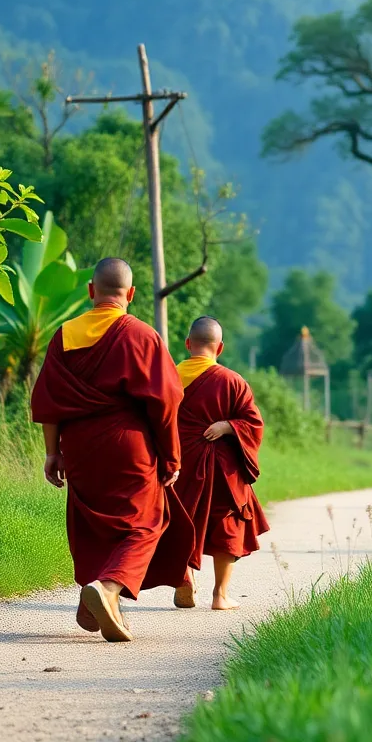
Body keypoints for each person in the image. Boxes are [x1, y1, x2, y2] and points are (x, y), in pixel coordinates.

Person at [30, 258, 193, 642]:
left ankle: (98, 603)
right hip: (128, 444)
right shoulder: (142, 335)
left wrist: (52, 453)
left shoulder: (65, 335)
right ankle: (107, 590)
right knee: (146, 522)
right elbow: (167, 400)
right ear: (131, 294)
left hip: (79, 448)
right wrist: (171, 456)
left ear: (91, 291)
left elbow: (49, 401)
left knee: (95, 520)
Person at [172, 316, 270, 611]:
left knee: (181, 520)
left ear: (188, 344)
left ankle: (184, 577)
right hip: (224, 469)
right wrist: (228, 426)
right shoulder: (231, 381)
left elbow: (155, 418)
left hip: (180, 462)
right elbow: (253, 422)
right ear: (221, 347)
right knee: (229, 522)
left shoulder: (170, 376)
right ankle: (220, 595)